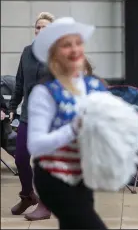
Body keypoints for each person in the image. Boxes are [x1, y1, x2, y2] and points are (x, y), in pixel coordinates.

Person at [27, 17, 108, 229]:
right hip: (54, 178)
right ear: (54, 52)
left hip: (83, 176)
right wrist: (74, 128)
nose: (74, 49)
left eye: (78, 43)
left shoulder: (94, 85)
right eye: (66, 45)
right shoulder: (44, 91)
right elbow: (35, 145)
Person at [8, 12, 54, 221]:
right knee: (20, 158)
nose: (40, 31)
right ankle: (28, 195)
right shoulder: (27, 52)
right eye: (38, 27)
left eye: (45, 27)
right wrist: (12, 106)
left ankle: (45, 206)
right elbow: (19, 82)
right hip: (28, 114)